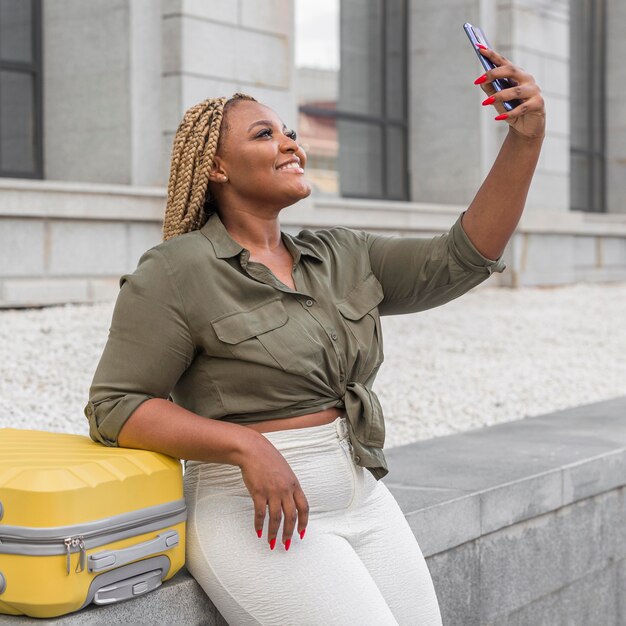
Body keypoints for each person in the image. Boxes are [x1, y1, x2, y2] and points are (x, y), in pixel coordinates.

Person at [85, 45, 544, 625]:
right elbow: (115, 407)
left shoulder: (342, 254)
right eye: (264, 135)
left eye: (291, 132)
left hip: (363, 494)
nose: (290, 143)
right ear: (217, 167)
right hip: (256, 514)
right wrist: (246, 446)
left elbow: (461, 257)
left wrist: (524, 139)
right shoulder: (177, 271)